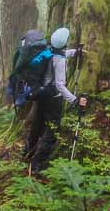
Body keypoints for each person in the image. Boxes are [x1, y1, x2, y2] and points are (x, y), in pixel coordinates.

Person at [24, 27, 87, 175]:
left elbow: (62, 54)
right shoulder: (60, 61)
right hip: (53, 99)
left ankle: (27, 152)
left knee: (37, 126)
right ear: (64, 43)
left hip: (41, 95)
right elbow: (60, 85)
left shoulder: (47, 51)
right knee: (52, 131)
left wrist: (75, 53)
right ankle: (36, 164)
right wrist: (74, 100)